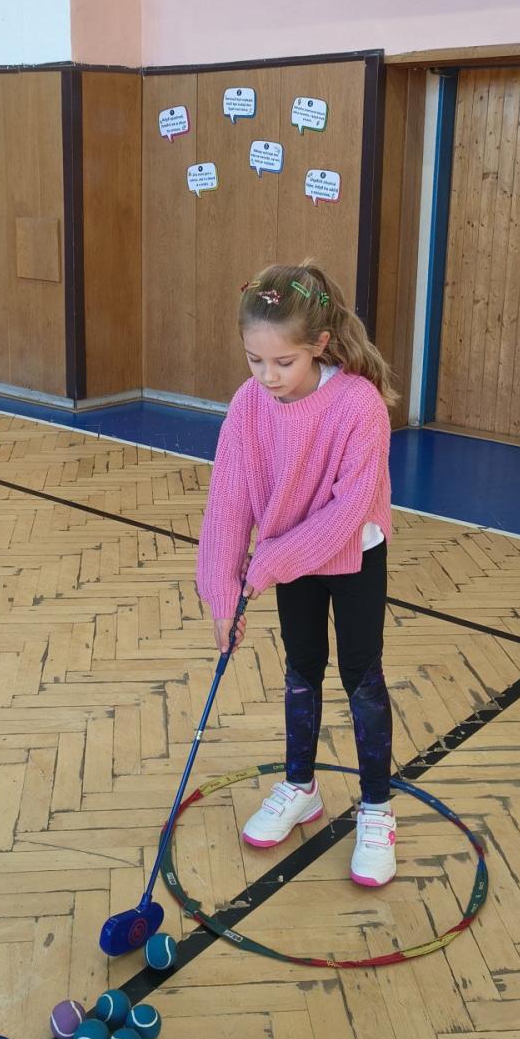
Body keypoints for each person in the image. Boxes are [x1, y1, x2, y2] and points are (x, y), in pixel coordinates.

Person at [196, 262, 398, 886]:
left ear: (319, 345)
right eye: (254, 360)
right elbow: (229, 498)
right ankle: (300, 787)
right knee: (301, 667)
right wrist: (223, 594)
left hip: (352, 552)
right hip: (290, 554)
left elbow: (348, 512)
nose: (268, 376)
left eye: (282, 362)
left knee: (361, 676)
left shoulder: (359, 405)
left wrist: (266, 565)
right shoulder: (249, 403)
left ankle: (377, 809)